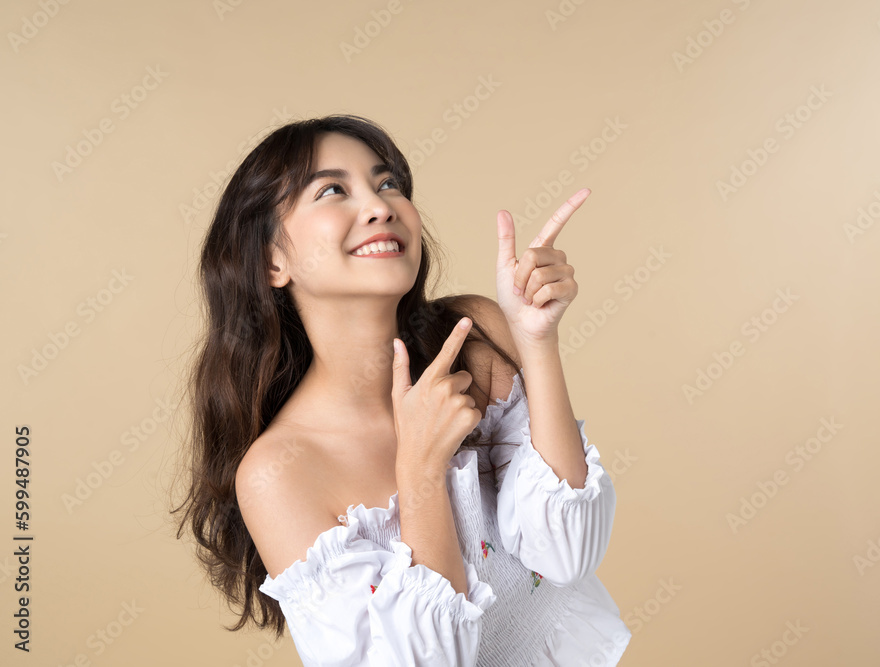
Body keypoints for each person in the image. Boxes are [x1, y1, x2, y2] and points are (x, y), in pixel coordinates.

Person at [172, 114, 631, 666]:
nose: (379, 206)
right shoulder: (279, 471)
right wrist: (420, 470)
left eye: (387, 183)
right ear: (273, 259)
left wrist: (537, 341)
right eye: (332, 190)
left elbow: (567, 552)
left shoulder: (474, 336)